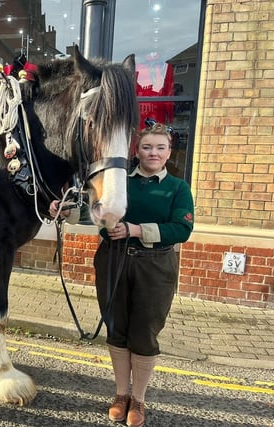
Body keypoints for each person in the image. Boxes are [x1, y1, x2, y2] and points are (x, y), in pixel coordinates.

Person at [50, 121, 194, 427]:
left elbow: (182, 229)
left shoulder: (177, 188)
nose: (153, 153)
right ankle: (120, 394)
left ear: (169, 151)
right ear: (136, 150)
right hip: (113, 260)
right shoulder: (120, 182)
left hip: (155, 266)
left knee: (143, 333)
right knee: (116, 328)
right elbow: (95, 212)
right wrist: (67, 211)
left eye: (160, 147)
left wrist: (135, 229)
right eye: (146, 147)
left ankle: (138, 399)